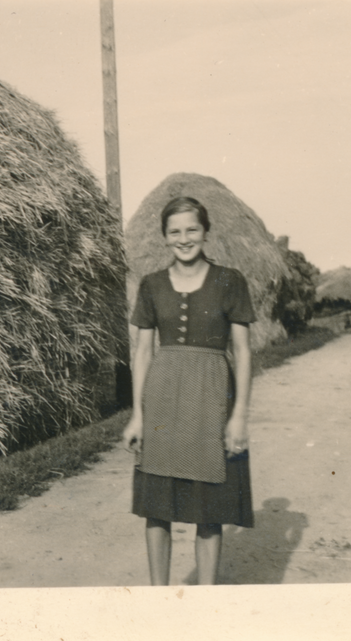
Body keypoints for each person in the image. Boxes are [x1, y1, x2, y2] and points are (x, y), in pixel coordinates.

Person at [122, 196, 255, 585]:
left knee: (209, 508)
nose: (184, 239)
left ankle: (205, 603)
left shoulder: (231, 281)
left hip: (213, 400)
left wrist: (240, 415)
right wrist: (137, 415)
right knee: (156, 506)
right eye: (175, 231)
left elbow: (243, 350)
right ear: (164, 236)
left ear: (206, 232)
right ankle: (159, 600)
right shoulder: (151, 286)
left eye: (192, 229)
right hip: (162, 402)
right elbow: (143, 352)